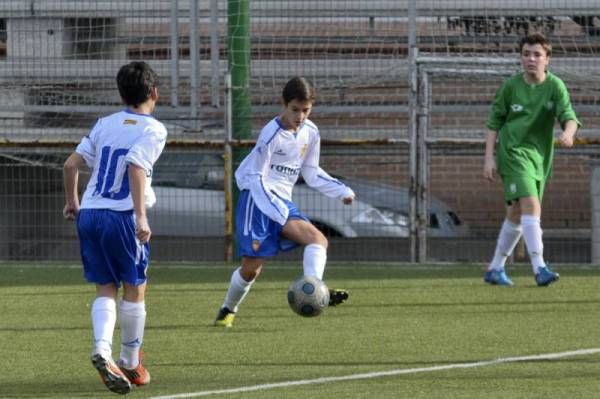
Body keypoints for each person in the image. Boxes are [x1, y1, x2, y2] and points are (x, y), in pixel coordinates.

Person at [214, 76, 355, 327]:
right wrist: (275, 208)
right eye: (295, 109)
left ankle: (314, 288)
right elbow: (256, 177)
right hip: (257, 201)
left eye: (306, 110)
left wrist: (341, 190)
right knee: (251, 269)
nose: (300, 115)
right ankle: (228, 309)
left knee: (318, 240)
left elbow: (311, 172)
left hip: (280, 202)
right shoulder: (271, 134)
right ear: (285, 104)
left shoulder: (311, 132)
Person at [62, 61, 167, 394]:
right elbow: (136, 167)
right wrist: (141, 217)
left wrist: (72, 202)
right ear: (154, 92)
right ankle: (131, 364)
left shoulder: (104, 123)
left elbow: (70, 164)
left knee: (105, 287)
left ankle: (101, 349)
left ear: (122, 94)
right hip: (120, 216)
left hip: (90, 214)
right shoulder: (154, 129)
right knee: (135, 287)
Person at [483, 33, 580, 287]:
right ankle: (540, 268)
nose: (531, 59)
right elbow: (494, 123)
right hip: (513, 154)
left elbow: (568, 115)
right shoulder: (511, 87)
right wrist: (488, 159)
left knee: (516, 214)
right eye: (526, 54)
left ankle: (495, 267)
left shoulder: (555, 86)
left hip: (539, 158)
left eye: (537, 54)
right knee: (532, 207)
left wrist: (568, 134)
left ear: (548, 59)